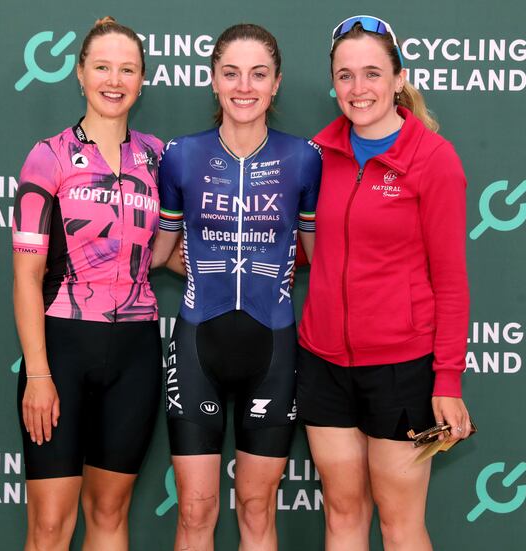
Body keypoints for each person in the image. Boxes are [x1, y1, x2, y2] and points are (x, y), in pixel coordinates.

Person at [297, 15, 473, 551]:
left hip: (401, 367)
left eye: (372, 73)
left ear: (398, 79)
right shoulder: (316, 155)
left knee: (399, 524)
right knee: (344, 515)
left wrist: (447, 380)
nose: (358, 89)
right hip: (323, 361)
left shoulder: (434, 160)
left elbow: (451, 282)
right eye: (345, 76)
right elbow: (300, 249)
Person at [151, 23, 322, 551]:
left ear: (276, 84)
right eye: (231, 73)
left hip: (272, 347)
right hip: (198, 342)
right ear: (213, 81)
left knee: (256, 509)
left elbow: (319, 255)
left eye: (258, 74)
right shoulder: (181, 155)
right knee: (196, 511)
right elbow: (159, 252)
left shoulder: (304, 158)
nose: (244, 87)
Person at [11, 16, 164, 551]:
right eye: (102, 66)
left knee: (109, 512)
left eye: (127, 69)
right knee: (51, 526)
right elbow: (26, 278)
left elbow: (169, 250)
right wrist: (37, 373)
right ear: (80, 74)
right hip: (63, 347)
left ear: (143, 80)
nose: (114, 80)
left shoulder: (158, 158)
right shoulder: (48, 156)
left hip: (137, 352)